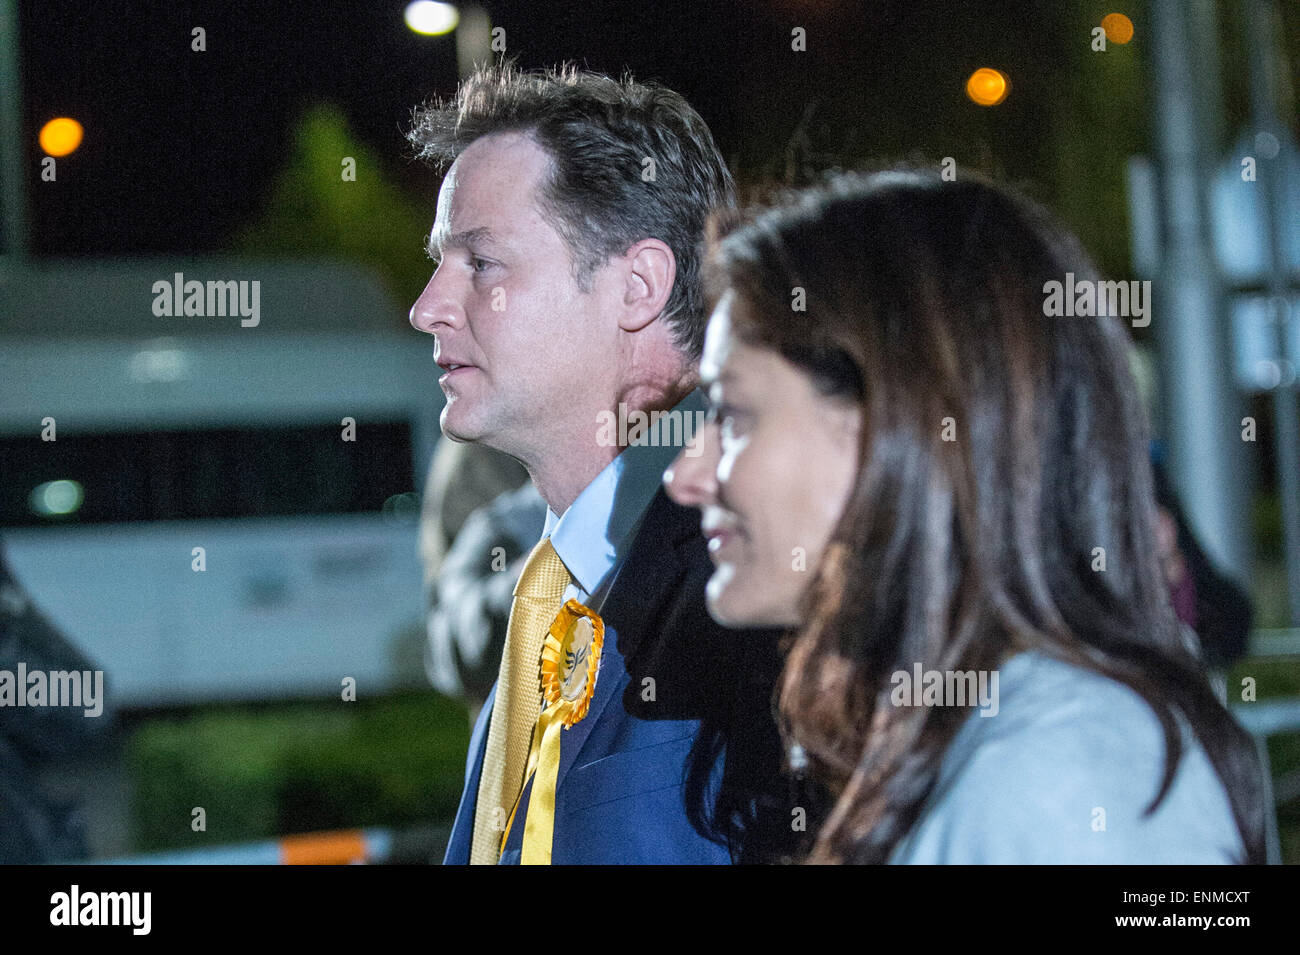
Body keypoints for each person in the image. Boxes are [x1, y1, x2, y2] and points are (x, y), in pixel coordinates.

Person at [663, 168, 1267, 864]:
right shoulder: (983, 734)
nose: (685, 475)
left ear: (900, 424)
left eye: (733, 414)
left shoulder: (1064, 775)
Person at [406, 63, 796, 864]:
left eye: (481, 263)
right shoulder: (543, 595)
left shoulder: (765, 576)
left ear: (639, 285)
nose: (428, 306)